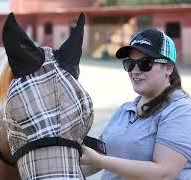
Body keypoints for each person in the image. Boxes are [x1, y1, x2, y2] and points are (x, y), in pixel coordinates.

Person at [80, 28, 191, 179]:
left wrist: (100, 160)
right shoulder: (125, 110)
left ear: (168, 67)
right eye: (130, 63)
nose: (135, 71)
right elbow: (98, 157)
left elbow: (163, 173)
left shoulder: (181, 111)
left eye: (145, 63)